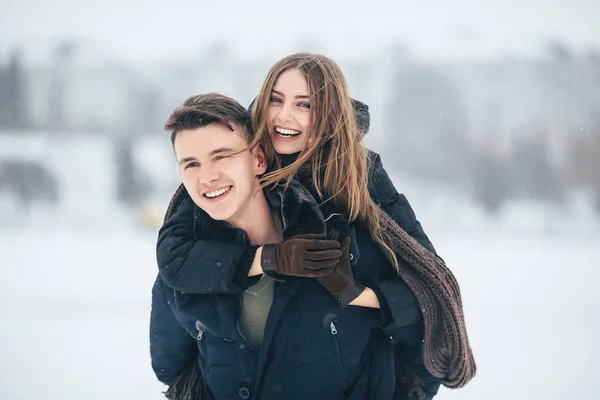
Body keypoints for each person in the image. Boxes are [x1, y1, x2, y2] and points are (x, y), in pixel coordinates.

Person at [156, 53, 475, 398]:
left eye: (304, 105)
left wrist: (356, 294)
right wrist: (269, 258)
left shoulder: (358, 185)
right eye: (275, 100)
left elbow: (430, 286)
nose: (284, 116)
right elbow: (173, 264)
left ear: (329, 116)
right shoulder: (223, 172)